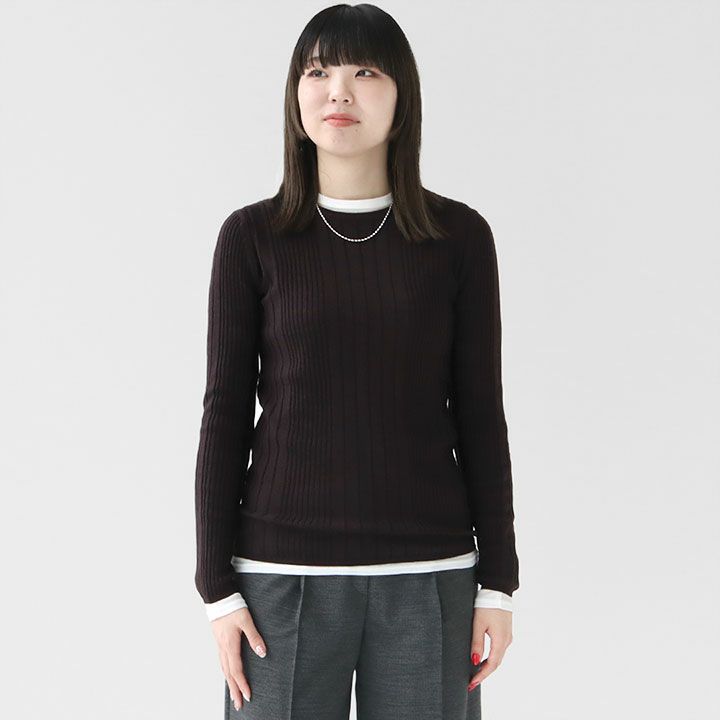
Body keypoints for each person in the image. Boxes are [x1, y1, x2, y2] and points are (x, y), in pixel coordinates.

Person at [194, 4, 520, 718]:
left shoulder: (459, 238)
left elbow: (480, 414)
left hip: (430, 576)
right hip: (278, 580)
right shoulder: (251, 237)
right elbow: (225, 415)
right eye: (318, 72)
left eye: (365, 72)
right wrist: (217, 588)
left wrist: (498, 582)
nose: (338, 91)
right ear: (296, 94)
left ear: (403, 97)